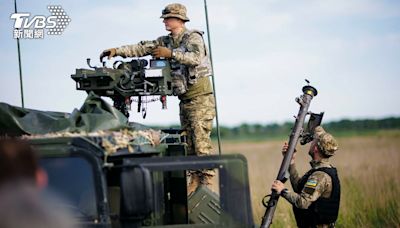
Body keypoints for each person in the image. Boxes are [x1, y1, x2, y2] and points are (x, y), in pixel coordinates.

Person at [99, 3, 216, 194]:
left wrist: (170, 54)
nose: (165, 22)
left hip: (201, 98)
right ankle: (195, 178)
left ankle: (207, 184)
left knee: (201, 142)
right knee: (189, 144)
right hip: (185, 99)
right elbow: (141, 48)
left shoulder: (193, 37)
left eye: (168, 18)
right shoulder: (165, 41)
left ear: (179, 20)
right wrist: (117, 51)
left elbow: (195, 57)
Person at [271, 126, 341, 228]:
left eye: (313, 142)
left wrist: (282, 190)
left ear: (316, 148)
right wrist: (291, 161)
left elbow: (303, 202)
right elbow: (299, 188)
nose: (310, 144)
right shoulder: (320, 171)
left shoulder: (320, 176)